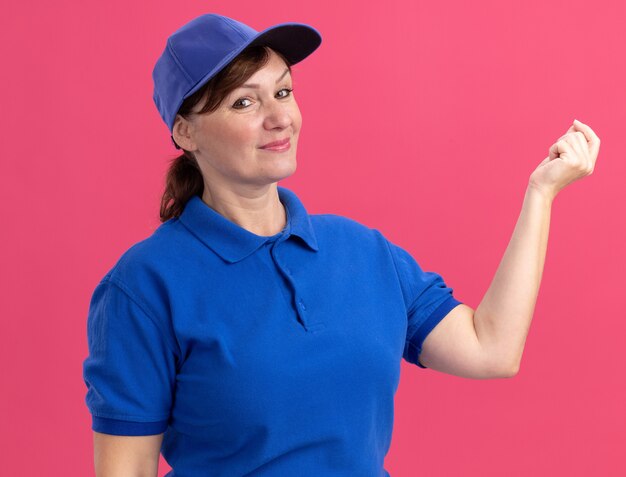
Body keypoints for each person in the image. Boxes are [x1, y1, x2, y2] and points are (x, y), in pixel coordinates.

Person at [82, 12, 601, 477]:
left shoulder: (363, 253)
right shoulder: (143, 287)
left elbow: (491, 349)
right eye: (245, 102)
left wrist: (541, 193)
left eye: (283, 92)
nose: (279, 117)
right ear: (186, 133)